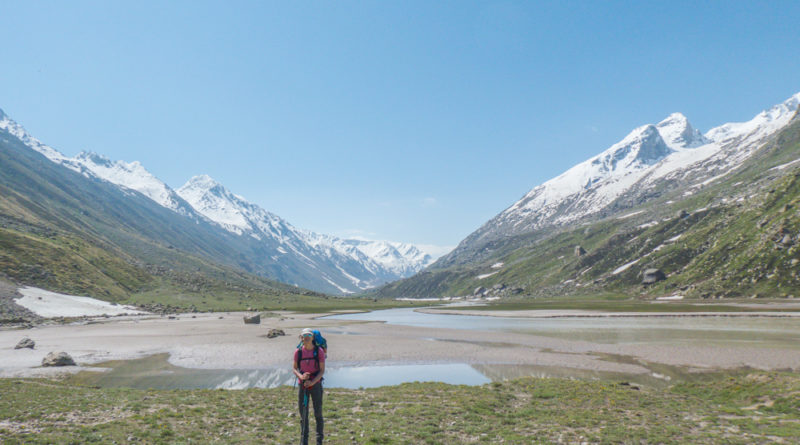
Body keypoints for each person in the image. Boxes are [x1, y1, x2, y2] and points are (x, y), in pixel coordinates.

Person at [293, 328, 325, 445]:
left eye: (309, 335)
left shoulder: (319, 351)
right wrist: (301, 377)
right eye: (304, 336)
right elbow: (294, 368)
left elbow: (322, 371)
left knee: (318, 413)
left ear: (312, 338)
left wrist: (313, 382)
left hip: (315, 385)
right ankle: (304, 442)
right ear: (301, 338)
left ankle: (319, 441)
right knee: (303, 415)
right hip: (303, 386)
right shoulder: (298, 352)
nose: (306, 337)